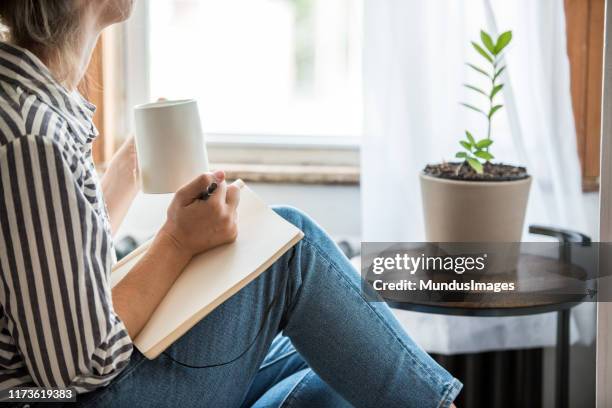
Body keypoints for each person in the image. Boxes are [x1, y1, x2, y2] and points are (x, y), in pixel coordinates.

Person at [0, 1, 461, 407]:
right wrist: (177, 241)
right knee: (292, 248)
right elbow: (80, 367)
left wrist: (125, 175)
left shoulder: (26, 104)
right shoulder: (31, 136)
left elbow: (58, 277)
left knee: (344, 352)